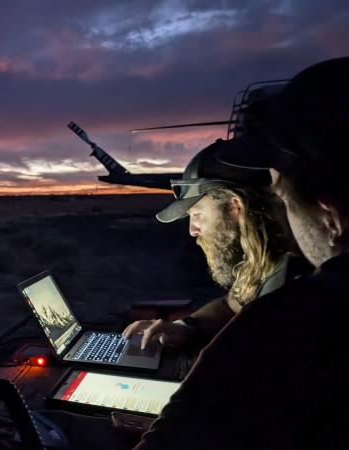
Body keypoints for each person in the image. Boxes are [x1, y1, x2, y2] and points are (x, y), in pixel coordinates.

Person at [134, 57, 349, 450]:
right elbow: (235, 303)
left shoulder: (292, 315)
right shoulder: (272, 269)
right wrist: (189, 328)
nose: (192, 230)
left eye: (197, 214)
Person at [122, 139, 299, 351]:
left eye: (197, 214)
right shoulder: (264, 257)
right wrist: (184, 328)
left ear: (234, 206)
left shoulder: (290, 282)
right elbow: (230, 306)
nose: (192, 230)